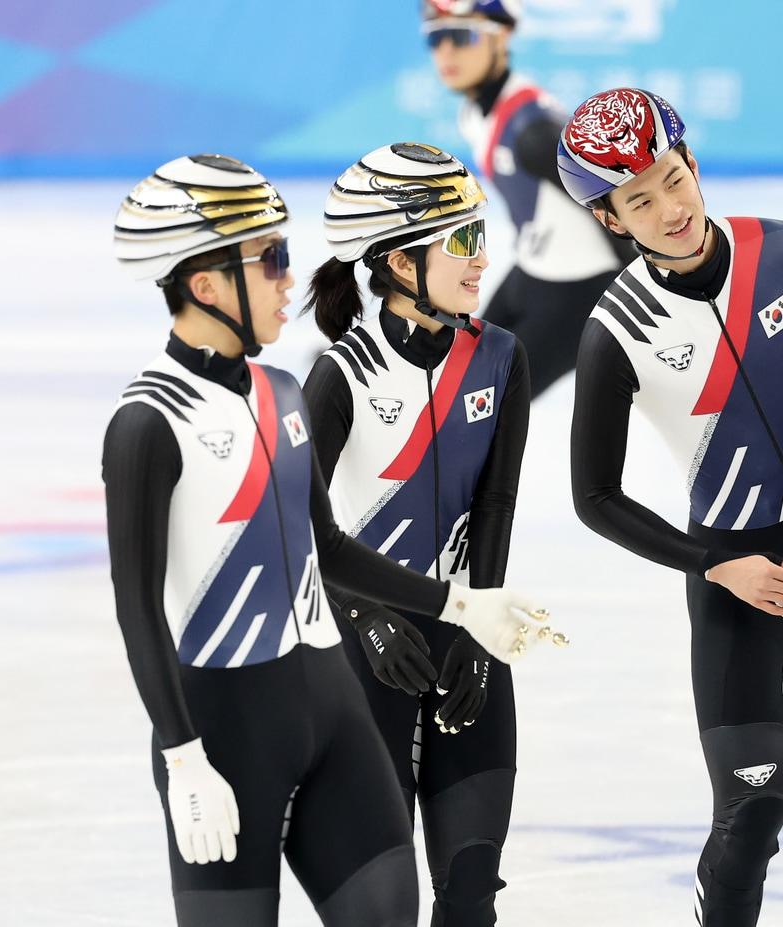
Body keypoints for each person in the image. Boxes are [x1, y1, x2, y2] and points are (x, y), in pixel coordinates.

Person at [104, 153, 562, 926]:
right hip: (256, 706)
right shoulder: (155, 420)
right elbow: (138, 608)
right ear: (206, 284)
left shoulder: (279, 390)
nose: (291, 276)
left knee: (434, 900)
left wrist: (466, 610)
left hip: (335, 700)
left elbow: (341, 543)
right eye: (272, 258)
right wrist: (183, 753)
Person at [559, 88, 783, 927]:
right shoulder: (614, 331)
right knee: (758, 799)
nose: (669, 208)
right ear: (613, 221)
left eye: (671, 178)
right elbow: (593, 496)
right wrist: (716, 565)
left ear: (693, 164)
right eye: (638, 201)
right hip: (732, 571)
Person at [301, 141, 533, 926]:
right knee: (381, 908)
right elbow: (297, 525)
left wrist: (481, 627)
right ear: (401, 264)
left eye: (481, 232)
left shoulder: (500, 356)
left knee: (470, 897)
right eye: (462, 240)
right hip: (369, 662)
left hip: (468, 648)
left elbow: (497, 501)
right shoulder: (343, 374)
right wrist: (364, 618)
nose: (481, 257)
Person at [424, 0, 630, 398]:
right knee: (457, 375)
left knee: (486, 404)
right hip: (533, 271)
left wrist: (644, 287)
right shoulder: (475, 113)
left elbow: (616, 202)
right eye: (435, 39)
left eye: (460, 35)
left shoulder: (533, 131)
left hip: (580, 292)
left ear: (501, 37)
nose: (446, 52)